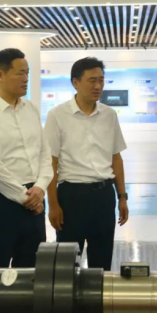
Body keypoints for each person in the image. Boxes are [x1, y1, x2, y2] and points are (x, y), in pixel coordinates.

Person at [0, 48, 53, 283]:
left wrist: (40, 187)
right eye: (20, 73)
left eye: (28, 73)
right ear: (0, 75)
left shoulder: (30, 109)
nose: (26, 78)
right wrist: (26, 197)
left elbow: (44, 153)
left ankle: (27, 311)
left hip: (33, 202)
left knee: (32, 274)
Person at [45, 57, 130, 271]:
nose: (98, 86)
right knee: (66, 265)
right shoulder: (57, 116)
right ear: (75, 82)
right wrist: (53, 204)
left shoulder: (109, 115)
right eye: (92, 80)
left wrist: (122, 196)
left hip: (103, 197)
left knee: (101, 263)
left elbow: (116, 158)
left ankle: (98, 294)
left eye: (101, 80)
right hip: (71, 198)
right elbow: (51, 162)